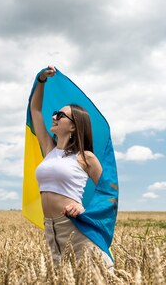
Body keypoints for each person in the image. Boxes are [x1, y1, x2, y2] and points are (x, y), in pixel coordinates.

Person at [31, 65, 114, 268]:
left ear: (74, 126)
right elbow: (35, 110)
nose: (54, 117)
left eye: (60, 115)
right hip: (52, 231)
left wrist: (83, 208)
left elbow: (109, 193)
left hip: (76, 228)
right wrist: (40, 79)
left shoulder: (86, 157)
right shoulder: (49, 149)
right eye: (55, 113)